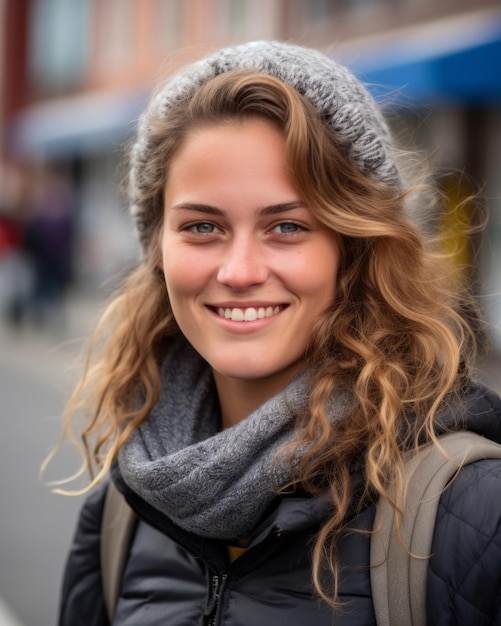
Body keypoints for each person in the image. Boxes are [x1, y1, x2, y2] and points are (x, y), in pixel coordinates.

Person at [55, 41, 501, 625]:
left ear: (355, 248)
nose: (239, 272)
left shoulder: (471, 514)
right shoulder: (123, 512)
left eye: (287, 226)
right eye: (202, 226)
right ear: (158, 249)